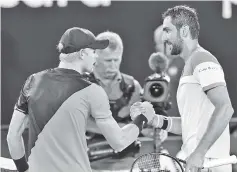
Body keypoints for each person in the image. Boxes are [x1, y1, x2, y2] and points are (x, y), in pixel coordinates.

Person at [6, 27, 154, 172]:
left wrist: (23, 169)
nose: (95, 57)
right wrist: (141, 119)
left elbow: (13, 136)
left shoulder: (32, 81)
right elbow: (119, 142)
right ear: (83, 54)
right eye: (93, 52)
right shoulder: (91, 91)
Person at [132, 5, 234, 172]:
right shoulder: (191, 64)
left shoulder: (201, 58)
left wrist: (199, 153)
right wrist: (156, 120)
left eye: (167, 31)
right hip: (194, 161)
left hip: (208, 163)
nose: (164, 38)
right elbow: (190, 125)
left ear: (184, 31)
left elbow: (225, 108)